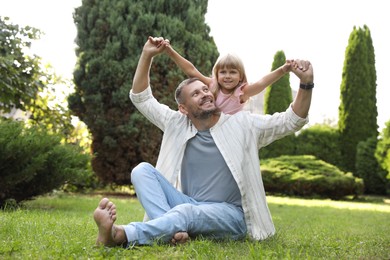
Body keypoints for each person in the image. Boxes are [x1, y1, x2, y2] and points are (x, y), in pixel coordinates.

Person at [93, 36, 314, 247]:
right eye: (196, 94)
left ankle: (120, 234)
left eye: (205, 89)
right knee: (141, 171)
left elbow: (291, 121)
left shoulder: (243, 125)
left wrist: (306, 84)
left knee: (186, 212)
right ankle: (172, 232)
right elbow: (142, 97)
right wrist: (146, 55)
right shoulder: (176, 124)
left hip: (230, 215)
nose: (206, 94)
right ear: (183, 108)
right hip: (188, 204)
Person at [165, 40, 293, 114]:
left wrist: (282, 70)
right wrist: (169, 50)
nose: (227, 76)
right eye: (223, 72)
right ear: (217, 74)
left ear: (240, 76)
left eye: (233, 72)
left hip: (229, 131)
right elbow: (191, 70)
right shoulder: (212, 85)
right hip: (208, 127)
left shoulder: (242, 92)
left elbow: (262, 83)